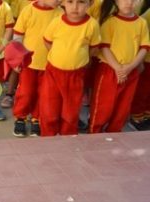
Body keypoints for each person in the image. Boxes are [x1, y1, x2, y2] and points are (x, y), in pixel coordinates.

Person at [89, 0, 150, 133]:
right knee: (103, 105)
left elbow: (144, 47)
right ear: (116, 2)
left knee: (123, 106)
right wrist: (118, 68)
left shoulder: (141, 23)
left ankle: (114, 132)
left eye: (134, 0)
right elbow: (104, 47)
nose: (129, 3)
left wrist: (130, 67)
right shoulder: (110, 22)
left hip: (131, 71)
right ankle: (94, 132)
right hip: (109, 70)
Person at [41, 0, 101, 136]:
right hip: (53, 73)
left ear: (90, 4)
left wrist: (79, 59)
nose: (75, 7)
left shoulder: (92, 25)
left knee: (70, 111)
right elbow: (47, 42)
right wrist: (60, 56)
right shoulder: (56, 22)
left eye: (81, 2)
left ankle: (67, 139)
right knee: (49, 108)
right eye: (70, 2)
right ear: (63, 3)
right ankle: (47, 137)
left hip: (76, 75)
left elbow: (94, 48)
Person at [11, 0, 61, 137]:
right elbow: (18, 37)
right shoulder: (28, 10)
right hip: (28, 64)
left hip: (50, 65)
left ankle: (36, 118)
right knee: (26, 92)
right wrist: (17, 59)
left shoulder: (60, 14)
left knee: (43, 93)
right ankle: (20, 117)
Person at [130, 4, 150, 130]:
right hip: (147, 59)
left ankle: (147, 114)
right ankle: (136, 116)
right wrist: (140, 60)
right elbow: (140, 34)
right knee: (143, 90)